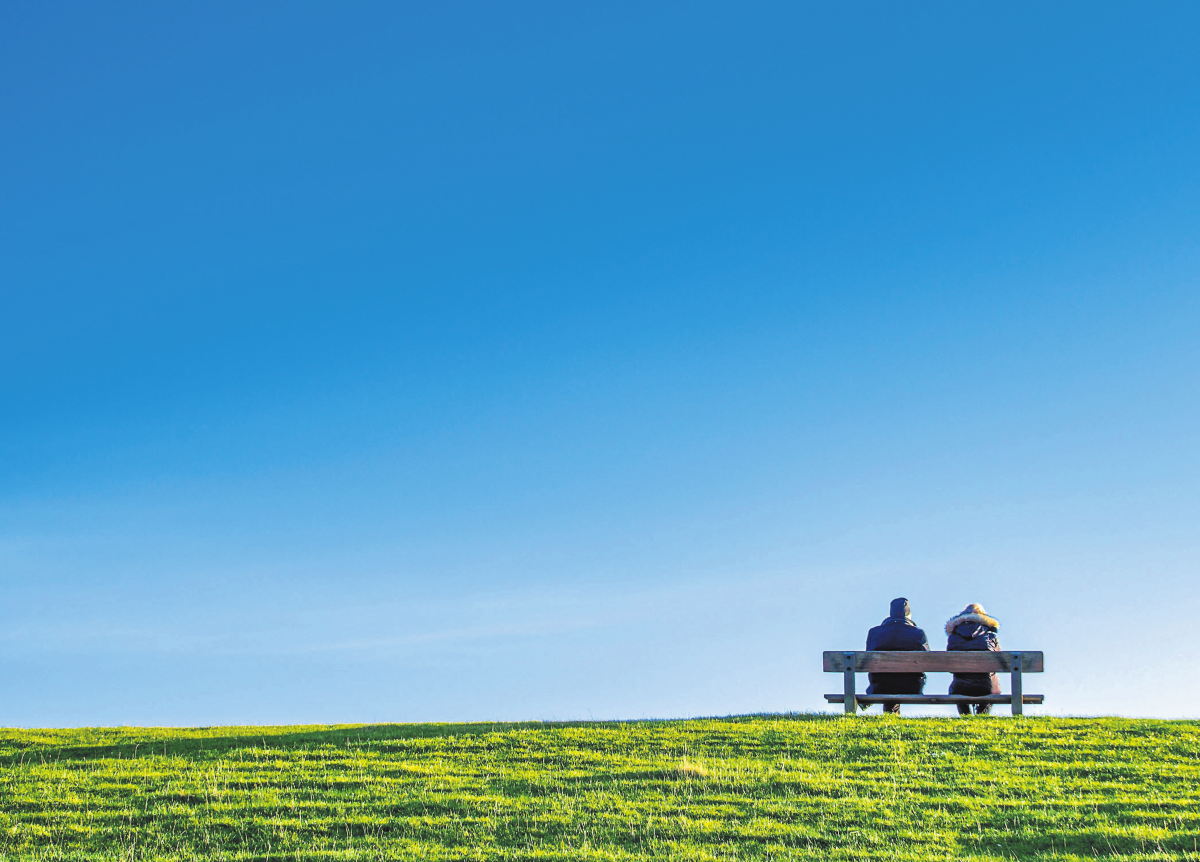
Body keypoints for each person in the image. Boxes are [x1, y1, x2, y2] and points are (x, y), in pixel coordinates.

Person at [865, 597, 930, 714]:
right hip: (911, 686)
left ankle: (890, 718)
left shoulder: (874, 632)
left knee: (888, 678)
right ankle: (892, 717)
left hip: (880, 686)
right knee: (898, 679)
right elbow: (928, 660)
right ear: (908, 615)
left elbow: (867, 659)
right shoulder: (918, 633)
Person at [945, 602, 1001, 715]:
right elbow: (999, 663)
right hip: (985, 686)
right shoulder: (990, 635)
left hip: (960, 686)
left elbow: (950, 666)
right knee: (993, 686)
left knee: (956, 688)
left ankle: (966, 716)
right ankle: (982, 716)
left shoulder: (954, 636)